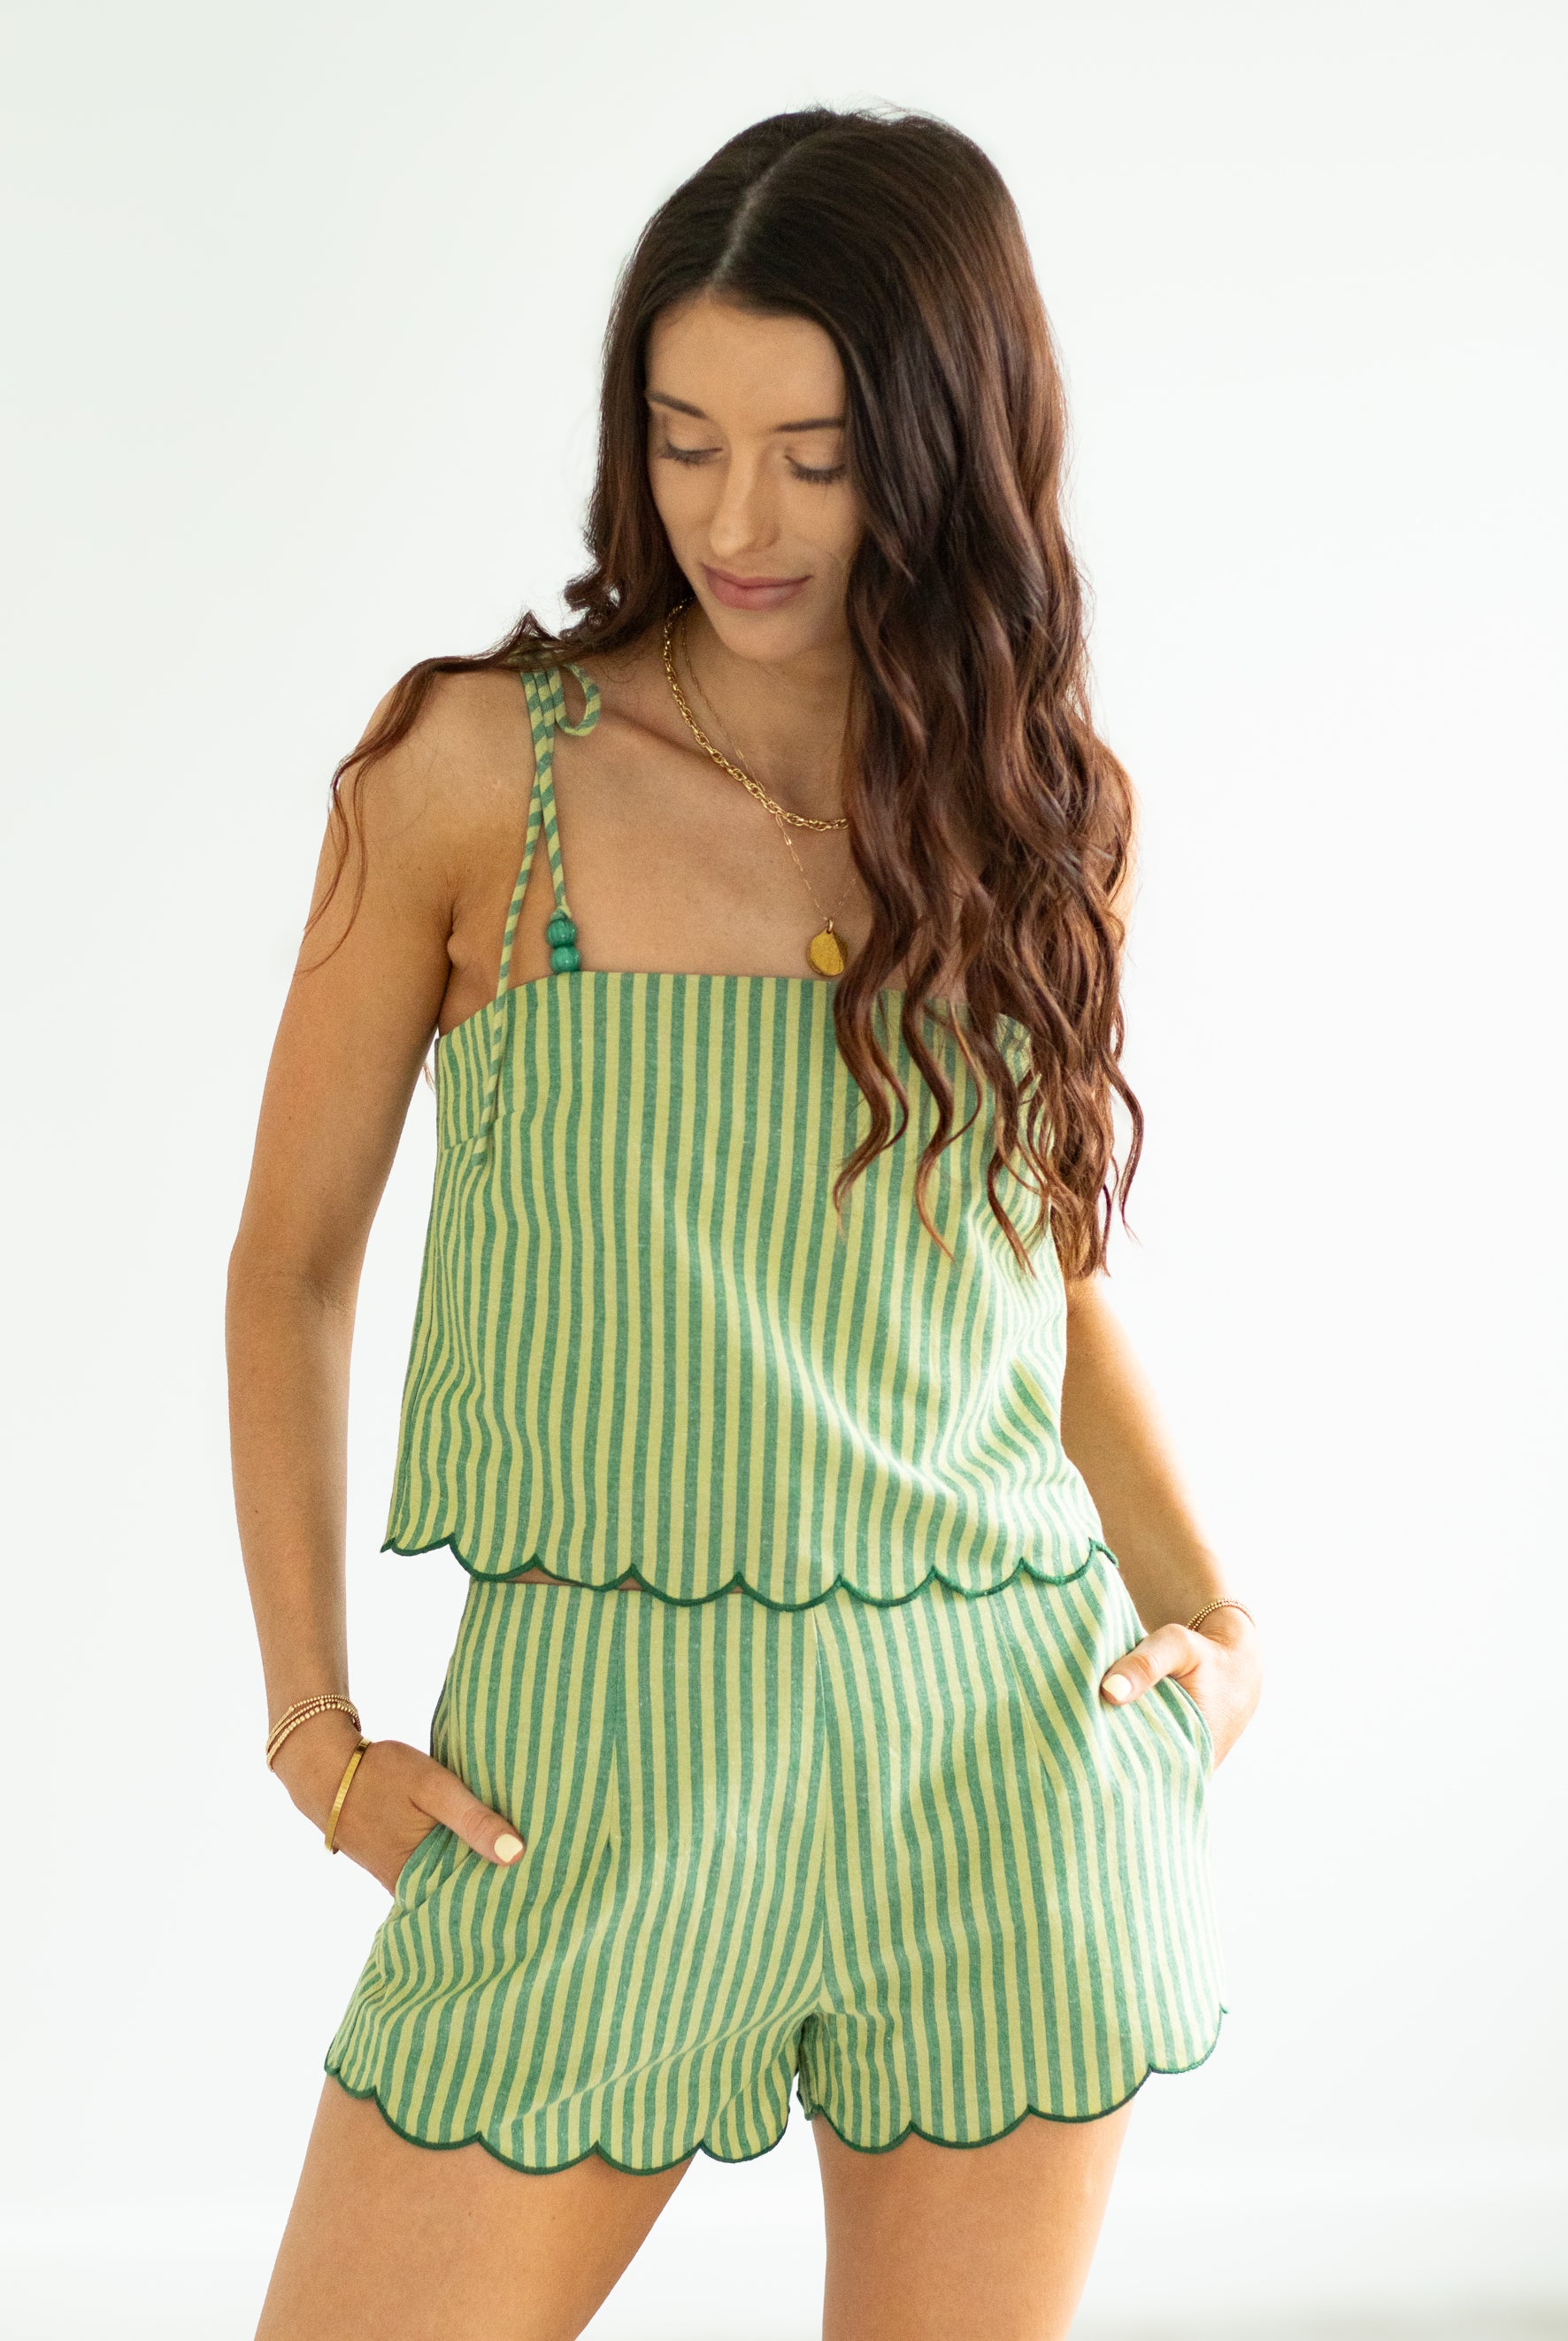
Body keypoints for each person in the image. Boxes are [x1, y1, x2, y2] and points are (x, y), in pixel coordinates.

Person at [227, 102, 1263, 2341]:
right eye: (683, 439)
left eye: (812, 448)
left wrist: (1215, 1633)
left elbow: (1030, 1288)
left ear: (946, 442)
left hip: (998, 1769)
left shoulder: (1040, 813)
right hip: (585, 1781)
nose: (736, 515)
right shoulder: (461, 777)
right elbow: (290, 1263)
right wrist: (315, 1734)